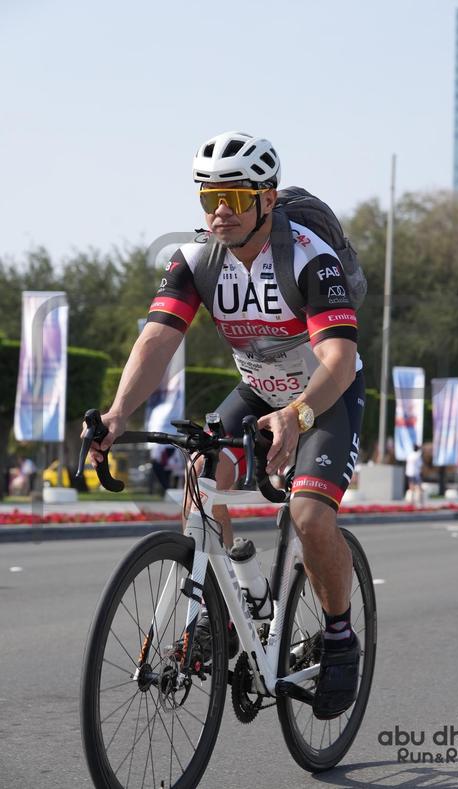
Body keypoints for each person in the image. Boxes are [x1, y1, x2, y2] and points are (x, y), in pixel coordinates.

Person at [86, 131, 366, 720]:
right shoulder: (196, 261)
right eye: (209, 197)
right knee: (201, 475)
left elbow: (339, 360)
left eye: (235, 198)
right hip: (258, 392)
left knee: (309, 515)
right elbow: (157, 340)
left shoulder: (309, 257)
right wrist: (117, 413)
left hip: (324, 397)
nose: (220, 211)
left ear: (267, 200)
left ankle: (340, 636)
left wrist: (297, 416)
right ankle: (236, 608)